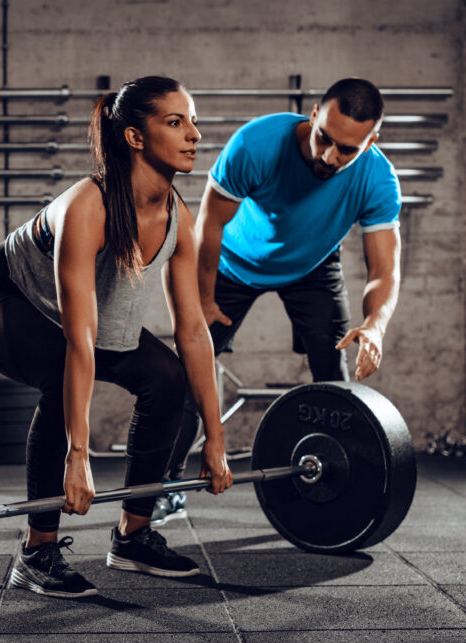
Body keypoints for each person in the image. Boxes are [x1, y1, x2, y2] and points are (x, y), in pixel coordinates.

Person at [0, 76, 233, 599]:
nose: (194, 134)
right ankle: (37, 552)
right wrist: (78, 456)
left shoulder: (179, 217)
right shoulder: (88, 205)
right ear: (135, 137)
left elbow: (192, 331)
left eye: (193, 122)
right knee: (61, 373)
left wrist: (215, 439)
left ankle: (133, 536)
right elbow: (81, 341)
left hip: (74, 315)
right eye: (175, 122)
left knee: (166, 378)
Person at [152, 77, 402, 525]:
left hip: (312, 267)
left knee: (334, 378)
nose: (329, 156)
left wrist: (375, 325)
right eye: (324, 138)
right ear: (313, 115)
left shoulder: (378, 179)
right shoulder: (258, 144)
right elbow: (209, 223)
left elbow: (384, 269)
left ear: (372, 141)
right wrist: (204, 298)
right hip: (232, 264)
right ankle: (166, 488)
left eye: (347, 149)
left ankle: (339, 485)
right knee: (189, 371)